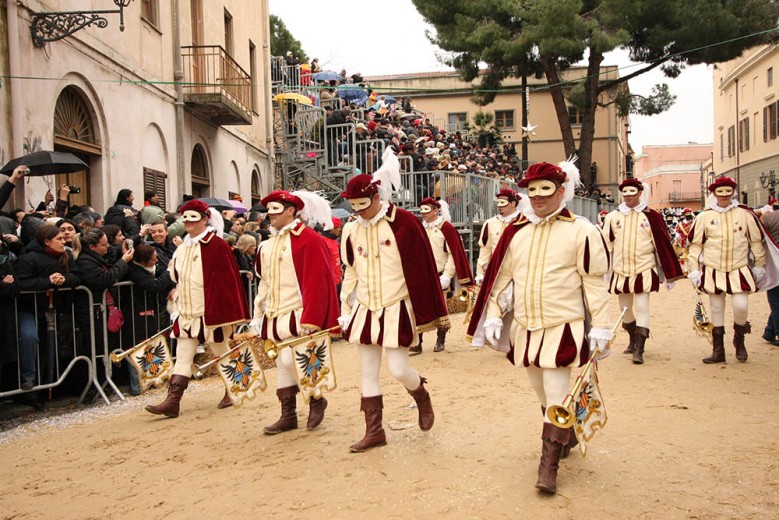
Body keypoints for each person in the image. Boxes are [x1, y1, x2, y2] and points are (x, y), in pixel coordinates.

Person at [467, 160, 612, 495]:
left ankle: (548, 467)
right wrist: (492, 313)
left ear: (562, 192)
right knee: (543, 392)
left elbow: (594, 284)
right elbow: (500, 282)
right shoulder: (517, 233)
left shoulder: (583, 231)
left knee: (556, 391)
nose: (539, 198)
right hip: (526, 328)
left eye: (546, 191)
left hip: (563, 326)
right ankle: (567, 431)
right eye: (532, 192)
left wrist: (601, 327)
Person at [339, 164, 449, 453]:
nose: (359, 211)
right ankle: (374, 431)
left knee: (399, 369)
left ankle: (421, 395)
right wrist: (345, 305)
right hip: (365, 305)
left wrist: (422, 308)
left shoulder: (404, 222)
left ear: (376, 197)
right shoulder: (350, 229)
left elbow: (420, 268)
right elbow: (350, 269)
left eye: (363, 204)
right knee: (367, 371)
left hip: (395, 305)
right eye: (354, 205)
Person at [145, 200, 249, 418]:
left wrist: (225, 312)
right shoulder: (182, 248)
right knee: (183, 356)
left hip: (211, 312)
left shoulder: (217, 246)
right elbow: (174, 276)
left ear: (204, 220)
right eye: (186, 218)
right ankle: (172, 401)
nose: (189, 222)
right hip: (187, 311)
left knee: (222, 352)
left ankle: (234, 388)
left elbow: (226, 283)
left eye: (194, 218)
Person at [250, 190, 340, 434]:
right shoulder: (267, 245)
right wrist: (259, 314)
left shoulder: (309, 239)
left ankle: (315, 399)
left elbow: (317, 280)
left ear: (291, 211)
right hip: (275, 313)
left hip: (298, 313)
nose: (270, 215)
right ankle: (288, 414)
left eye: (276, 210)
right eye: (268, 210)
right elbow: (264, 282)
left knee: (295, 359)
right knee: (281, 362)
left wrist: (311, 316)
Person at [601, 179, 684, 364]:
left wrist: (669, 273)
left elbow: (662, 244)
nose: (629, 195)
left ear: (639, 193)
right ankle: (632, 336)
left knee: (642, 306)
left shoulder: (651, 216)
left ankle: (640, 347)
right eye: (626, 192)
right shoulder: (613, 217)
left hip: (644, 268)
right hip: (621, 269)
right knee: (625, 310)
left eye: (633, 192)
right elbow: (606, 244)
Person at [688, 177, 768, 364]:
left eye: (727, 191)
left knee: (741, 306)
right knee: (716, 308)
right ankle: (718, 350)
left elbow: (756, 242)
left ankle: (739, 338)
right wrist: (693, 269)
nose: (724, 195)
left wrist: (759, 265)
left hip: (738, 268)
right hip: (713, 269)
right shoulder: (704, 217)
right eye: (720, 192)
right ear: (714, 193)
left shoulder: (745, 215)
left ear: (733, 192)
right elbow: (695, 245)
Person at [14, 225, 81, 389]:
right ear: (46, 241)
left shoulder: (67, 256)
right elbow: (21, 283)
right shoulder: (28, 258)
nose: (63, 241)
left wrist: (63, 279)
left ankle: (52, 383)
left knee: (51, 346)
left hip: (55, 310)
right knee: (29, 337)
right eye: (58, 239)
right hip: (29, 309)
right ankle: (28, 379)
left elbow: (77, 277)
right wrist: (48, 281)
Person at [415, 197, 473, 353]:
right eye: (421, 210)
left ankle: (441, 339)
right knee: (418, 308)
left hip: (439, 273)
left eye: (427, 210)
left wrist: (447, 275)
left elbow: (453, 254)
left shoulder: (446, 228)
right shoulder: (420, 228)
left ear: (436, 210)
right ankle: (417, 341)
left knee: (440, 308)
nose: (423, 214)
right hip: (422, 274)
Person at [760, 205, 779, 345]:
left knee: (775, 299)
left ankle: (770, 330)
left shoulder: (768, 218)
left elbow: (759, 239)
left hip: (773, 263)